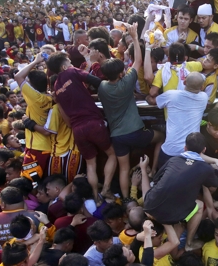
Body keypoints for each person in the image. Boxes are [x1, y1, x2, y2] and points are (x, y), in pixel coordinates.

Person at [98, 23, 164, 199]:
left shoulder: (103, 87)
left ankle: (126, 200)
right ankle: (154, 170)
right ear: (120, 74)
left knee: (124, 168)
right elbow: (138, 62)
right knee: (162, 136)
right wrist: (135, 37)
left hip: (117, 136)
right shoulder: (126, 83)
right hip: (136, 132)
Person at [47, 52, 117, 204]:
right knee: (111, 154)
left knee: (91, 164)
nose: (72, 64)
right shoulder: (71, 71)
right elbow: (97, 82)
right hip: (93, 121)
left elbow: (66, 117)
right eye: (69, 62)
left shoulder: (57, 87)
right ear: (64, 66)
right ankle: (106, 189)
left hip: (77, 129)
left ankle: (96, 197)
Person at [141, 133, 218, 251]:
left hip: (149, 205)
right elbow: (214, 185)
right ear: (204, 150)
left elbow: (157, 179)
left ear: (185, 148)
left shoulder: (173, 160)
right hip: (170, 216)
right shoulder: (206, 168)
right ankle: (189, 244)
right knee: (200, 205)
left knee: (155, 190)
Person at [154, 72, 209, 167]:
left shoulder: (171, 95)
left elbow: (155, 101)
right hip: (191, 152)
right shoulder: (204, 97)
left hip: (170, 151)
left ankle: (153, 174)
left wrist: (146, 97)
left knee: (161, 179)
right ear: (201, 87)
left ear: (184, 82)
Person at [14, 52, 53, 184]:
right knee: (42, 182)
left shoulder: (35, 98)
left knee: (29, 182)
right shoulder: (52, 97)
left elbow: (18, 76)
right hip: (50, 146)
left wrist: (35, 61)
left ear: (31, 85)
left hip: (36, 147)